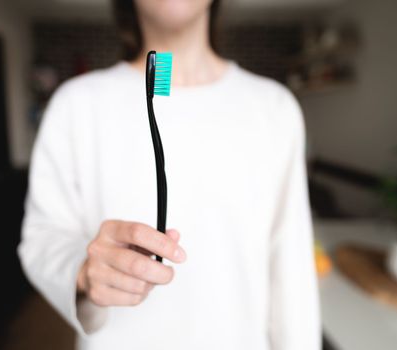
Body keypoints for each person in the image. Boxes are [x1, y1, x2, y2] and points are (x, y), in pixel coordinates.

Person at [17, 0, 321, 349]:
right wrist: (84, 271)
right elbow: (42, 238)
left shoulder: (275, 108)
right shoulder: (75, 103)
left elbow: (291, 268)